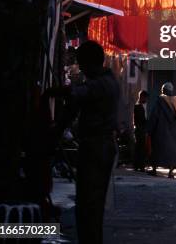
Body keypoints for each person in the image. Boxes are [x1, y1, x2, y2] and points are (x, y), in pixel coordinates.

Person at [48, 40, 119, 244]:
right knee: (89, 204)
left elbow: (76, 95)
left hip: (97, 147)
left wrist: (49, 93)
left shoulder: (102, 84)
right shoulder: (104, 80)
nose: (81, 69)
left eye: (82, 64)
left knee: (89, 204)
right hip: (97, 147)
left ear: (91, 63)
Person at [147, 82, 176, 178]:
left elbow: (154, 116)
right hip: (175, 132)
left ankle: (154, 169)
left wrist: (149, 129)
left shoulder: (160, 101)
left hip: (161, 131)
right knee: (172, 152)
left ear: (164, 91)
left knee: (157, 150)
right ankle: (170, 172)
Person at [133, 90, 148, 171]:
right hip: (140, 130)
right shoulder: (139, 107)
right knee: (141, 148)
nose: (146, 100)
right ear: (142, 97)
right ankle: (140, 166)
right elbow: (142, 120)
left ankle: (137, 166)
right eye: (145, 98)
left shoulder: (138, 106)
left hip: (138, 129)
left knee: (138, 148)